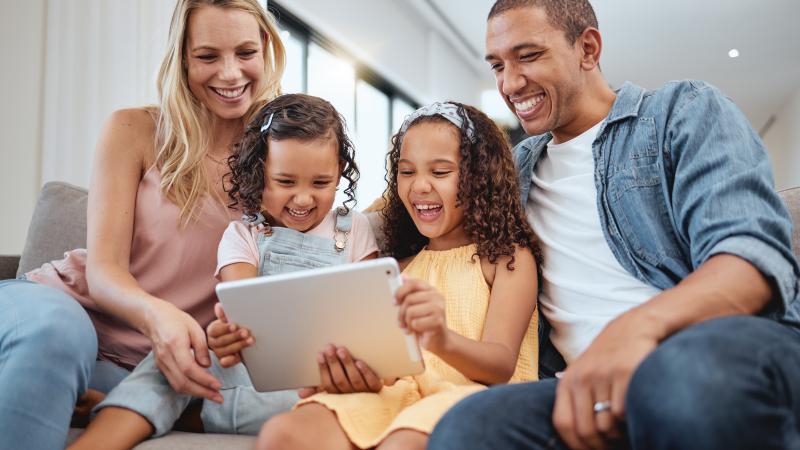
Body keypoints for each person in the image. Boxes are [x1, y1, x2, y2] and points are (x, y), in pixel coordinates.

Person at [428, 1, 800, 450]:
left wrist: (637, 328)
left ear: (587, 48)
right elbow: (424, 201)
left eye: (527, 56)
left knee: (685, 378)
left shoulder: (681, 112)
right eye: (497, 65)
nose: (509, 83)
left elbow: (752, 260)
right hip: (582, 386)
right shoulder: (516, 170)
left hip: (713, 352)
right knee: (469, 427)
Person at [0, 1, 286, 448]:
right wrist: (160, 316)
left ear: (265, 48)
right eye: (208, 56)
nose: (230, 74)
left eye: (245, 53)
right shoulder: (135, 129)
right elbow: (104, 271)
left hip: (147, 367)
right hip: (62, 313)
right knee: (59, 332)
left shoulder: (284, 154)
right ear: (183, 57)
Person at [69, 93, 381, 449]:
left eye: (320, 183)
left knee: (335, 406)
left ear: (340, 170)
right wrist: (224, 335)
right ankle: (107, 432)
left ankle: (163, 412)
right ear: (259, 171)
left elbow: (368, 317)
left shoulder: (353, 229)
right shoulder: (243, 235)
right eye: (286, 182)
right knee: (175, 362)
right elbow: (246, 312)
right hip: (250, 369)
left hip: (320, 378)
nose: (304, 199)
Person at [255, 101, 541, 450]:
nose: (419, 186)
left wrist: (441, 339)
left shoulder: (506, 259)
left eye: (439, 172)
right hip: (399, 396)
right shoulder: (398, 268)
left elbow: (500, 365)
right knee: (283, 434)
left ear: (480, 178)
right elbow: (387, 367)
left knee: (401, 443)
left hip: (472, 400)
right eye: (407, 172)